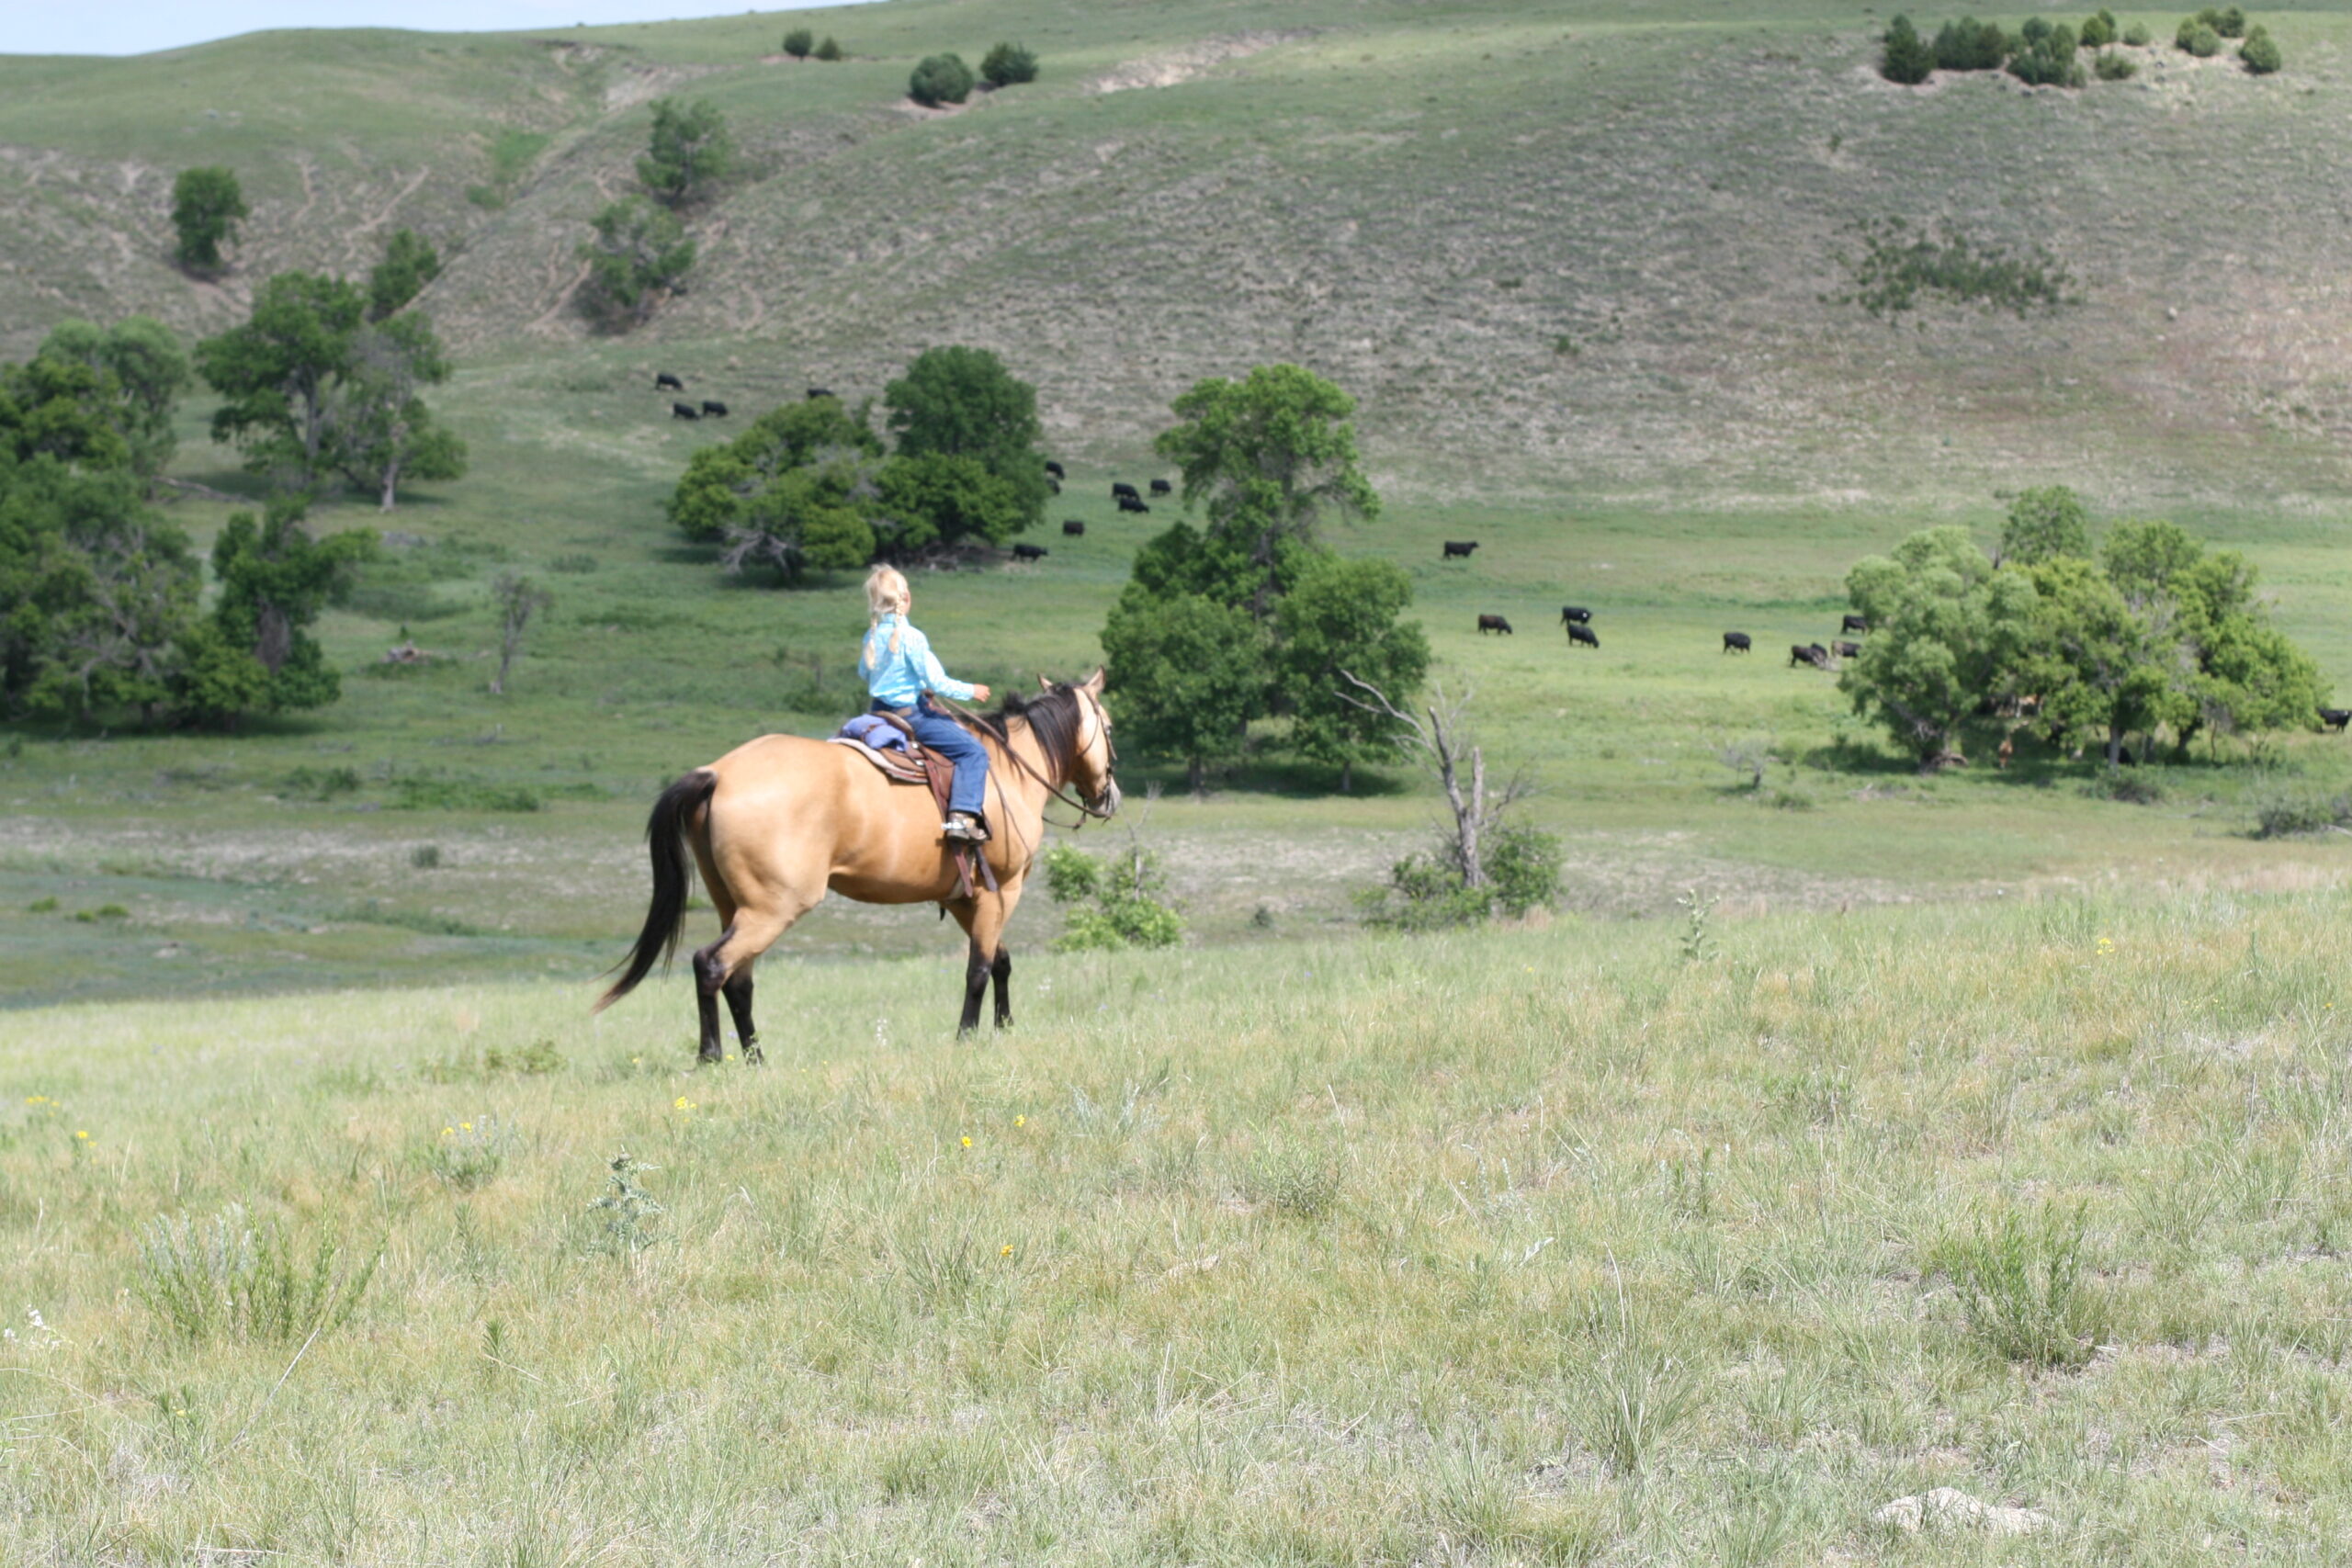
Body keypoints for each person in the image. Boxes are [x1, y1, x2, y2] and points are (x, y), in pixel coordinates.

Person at [857, 565, 994, 841]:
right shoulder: (912, 637)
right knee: (974, 752)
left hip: (878, 713)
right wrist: (972, 690)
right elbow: (938, 682)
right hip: (910, 716)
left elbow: (864, 673)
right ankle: (961, 819)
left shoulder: (871, 636)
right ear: (906, 598)